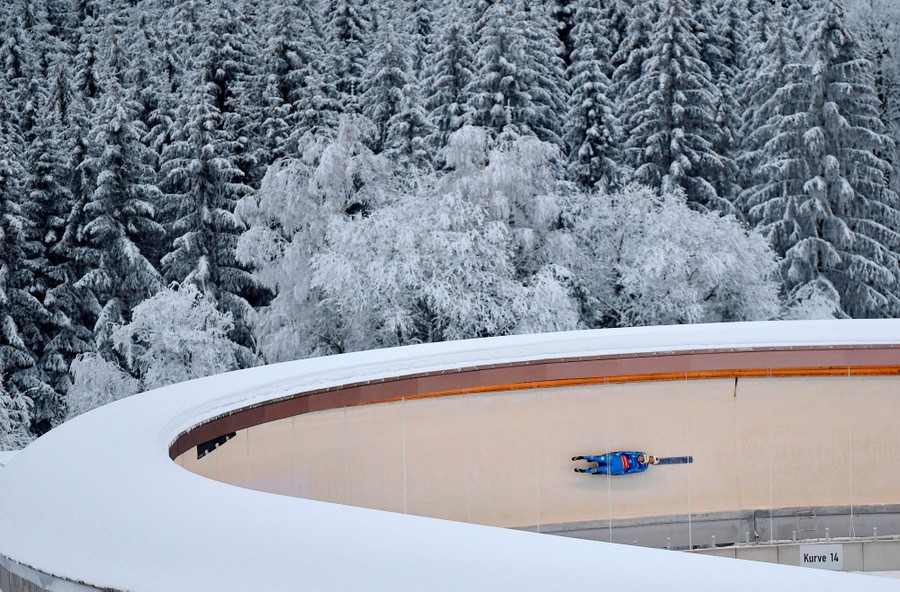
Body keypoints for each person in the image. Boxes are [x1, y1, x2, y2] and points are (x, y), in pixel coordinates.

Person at [572, 451, 658, 475]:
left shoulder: (642, 467)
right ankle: (582, 457)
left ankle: (584, 471)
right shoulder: (638, 454)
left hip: (618, 467)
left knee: (601, 469)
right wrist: (616, 454)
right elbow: (626, 452)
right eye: (641, 456)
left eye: (642, 459)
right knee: (598, 458)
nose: (640, 458)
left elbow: (629, 471)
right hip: (615, 459)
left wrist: (620, 472)